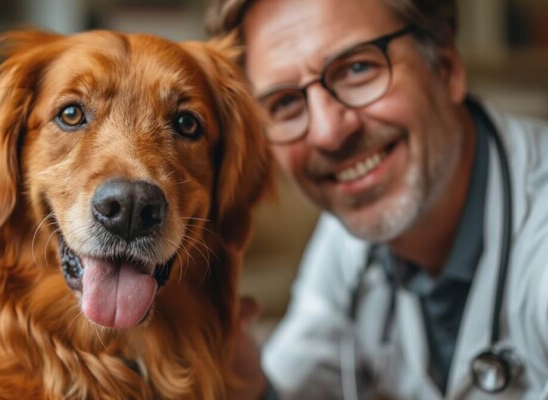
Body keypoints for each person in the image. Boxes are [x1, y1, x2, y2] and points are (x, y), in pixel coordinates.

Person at [206, 0, 548, 399]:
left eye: (357, 69)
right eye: (285, 103)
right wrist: (249, 384)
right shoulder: (349, 237)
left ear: (446, 66)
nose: (328, 132)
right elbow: (297, 387)